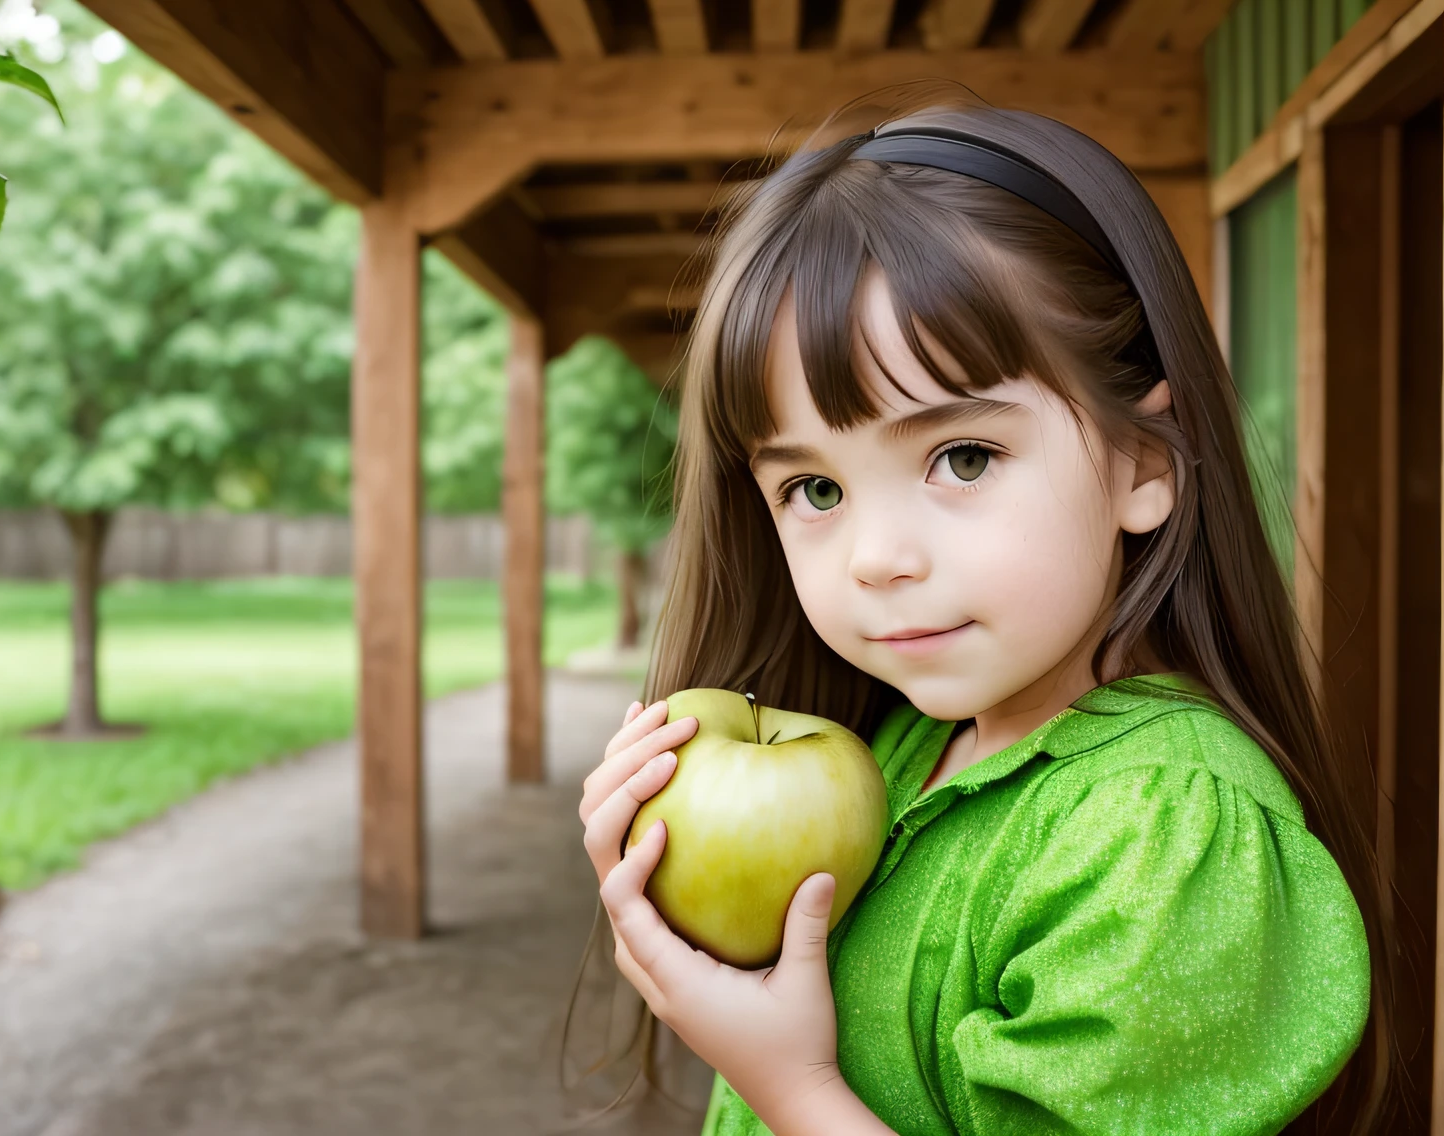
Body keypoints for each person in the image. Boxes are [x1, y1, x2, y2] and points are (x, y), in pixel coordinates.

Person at [574, 87, 1388, 1135]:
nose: (875, 558)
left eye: (961, 457)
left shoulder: (1161, 836)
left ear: (1144, 463)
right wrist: (681, 916)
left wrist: (789, 1086)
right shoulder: (908, 749)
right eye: (813, 488)